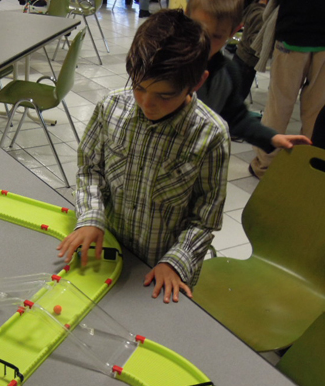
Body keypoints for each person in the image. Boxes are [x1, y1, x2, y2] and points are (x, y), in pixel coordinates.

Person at [57, 9, 229, 304]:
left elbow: (205, 219)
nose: (147, 103)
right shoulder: (111, 107)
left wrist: (175, 262)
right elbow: (90, 170)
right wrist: (91, 217)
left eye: (165, 95)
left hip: (159, 270)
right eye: (138, 87)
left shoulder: (211, 135)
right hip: (107, 251)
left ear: (197, 82)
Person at [186, 0, 311, 177]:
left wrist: (271, 137)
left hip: (200, 165)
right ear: (187, 17)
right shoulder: (165, 61)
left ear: (234, 31)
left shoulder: (227, 74)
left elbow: (236, 118)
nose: (204, 43)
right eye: (199, 30)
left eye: (216, 36)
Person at [249, 0, 325, 178]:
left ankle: (264, 165)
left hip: (294, 30)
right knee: (316, 110)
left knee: (279, 106)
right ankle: (307, 164)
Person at [233, 0, 268, 101]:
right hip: (247, 61)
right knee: (238, 96)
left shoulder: (253, 8)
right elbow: (253, 41)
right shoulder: (261, 14)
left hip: (241, 56)